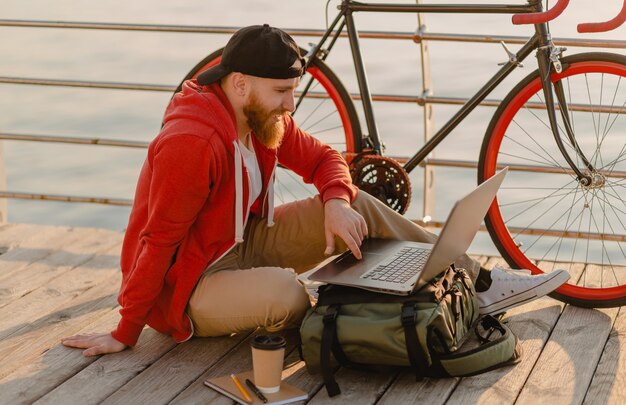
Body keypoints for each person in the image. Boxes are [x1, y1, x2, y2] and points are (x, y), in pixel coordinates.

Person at [61, 24, 570, 357]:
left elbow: (327, 159)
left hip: (243, 243)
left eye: (292, 92)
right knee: (287, 292)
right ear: (239, 83)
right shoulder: (192, 143)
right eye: (281, 92)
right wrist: (126, 329)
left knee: (362, 206)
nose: (289, 105)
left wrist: (334, 202)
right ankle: (372, 300)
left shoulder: (261, 118)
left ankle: (476, 284)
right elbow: (158, 240)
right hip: (191, 284)